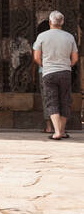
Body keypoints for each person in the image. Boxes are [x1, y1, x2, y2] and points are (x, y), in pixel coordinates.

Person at [33, 11, 79, 140]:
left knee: (51, 101)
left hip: (48, 72)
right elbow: (75, 59)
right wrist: (67, 66)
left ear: (50, 22)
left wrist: (45, 65)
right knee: (65, 100)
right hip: (65, 72)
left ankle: (57, 131)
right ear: (62, 22)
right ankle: (62, 130)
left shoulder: (42, 36)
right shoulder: (69, 37)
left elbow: (36, 57)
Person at [33, 17, 53, 135]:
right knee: (56, 98)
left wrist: (40, 68)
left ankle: (49, 126)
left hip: (43, 72)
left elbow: (35, 59)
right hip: (58, 71)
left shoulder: (39, 41)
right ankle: (59, 126)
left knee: (46, 99)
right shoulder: (59, 39)